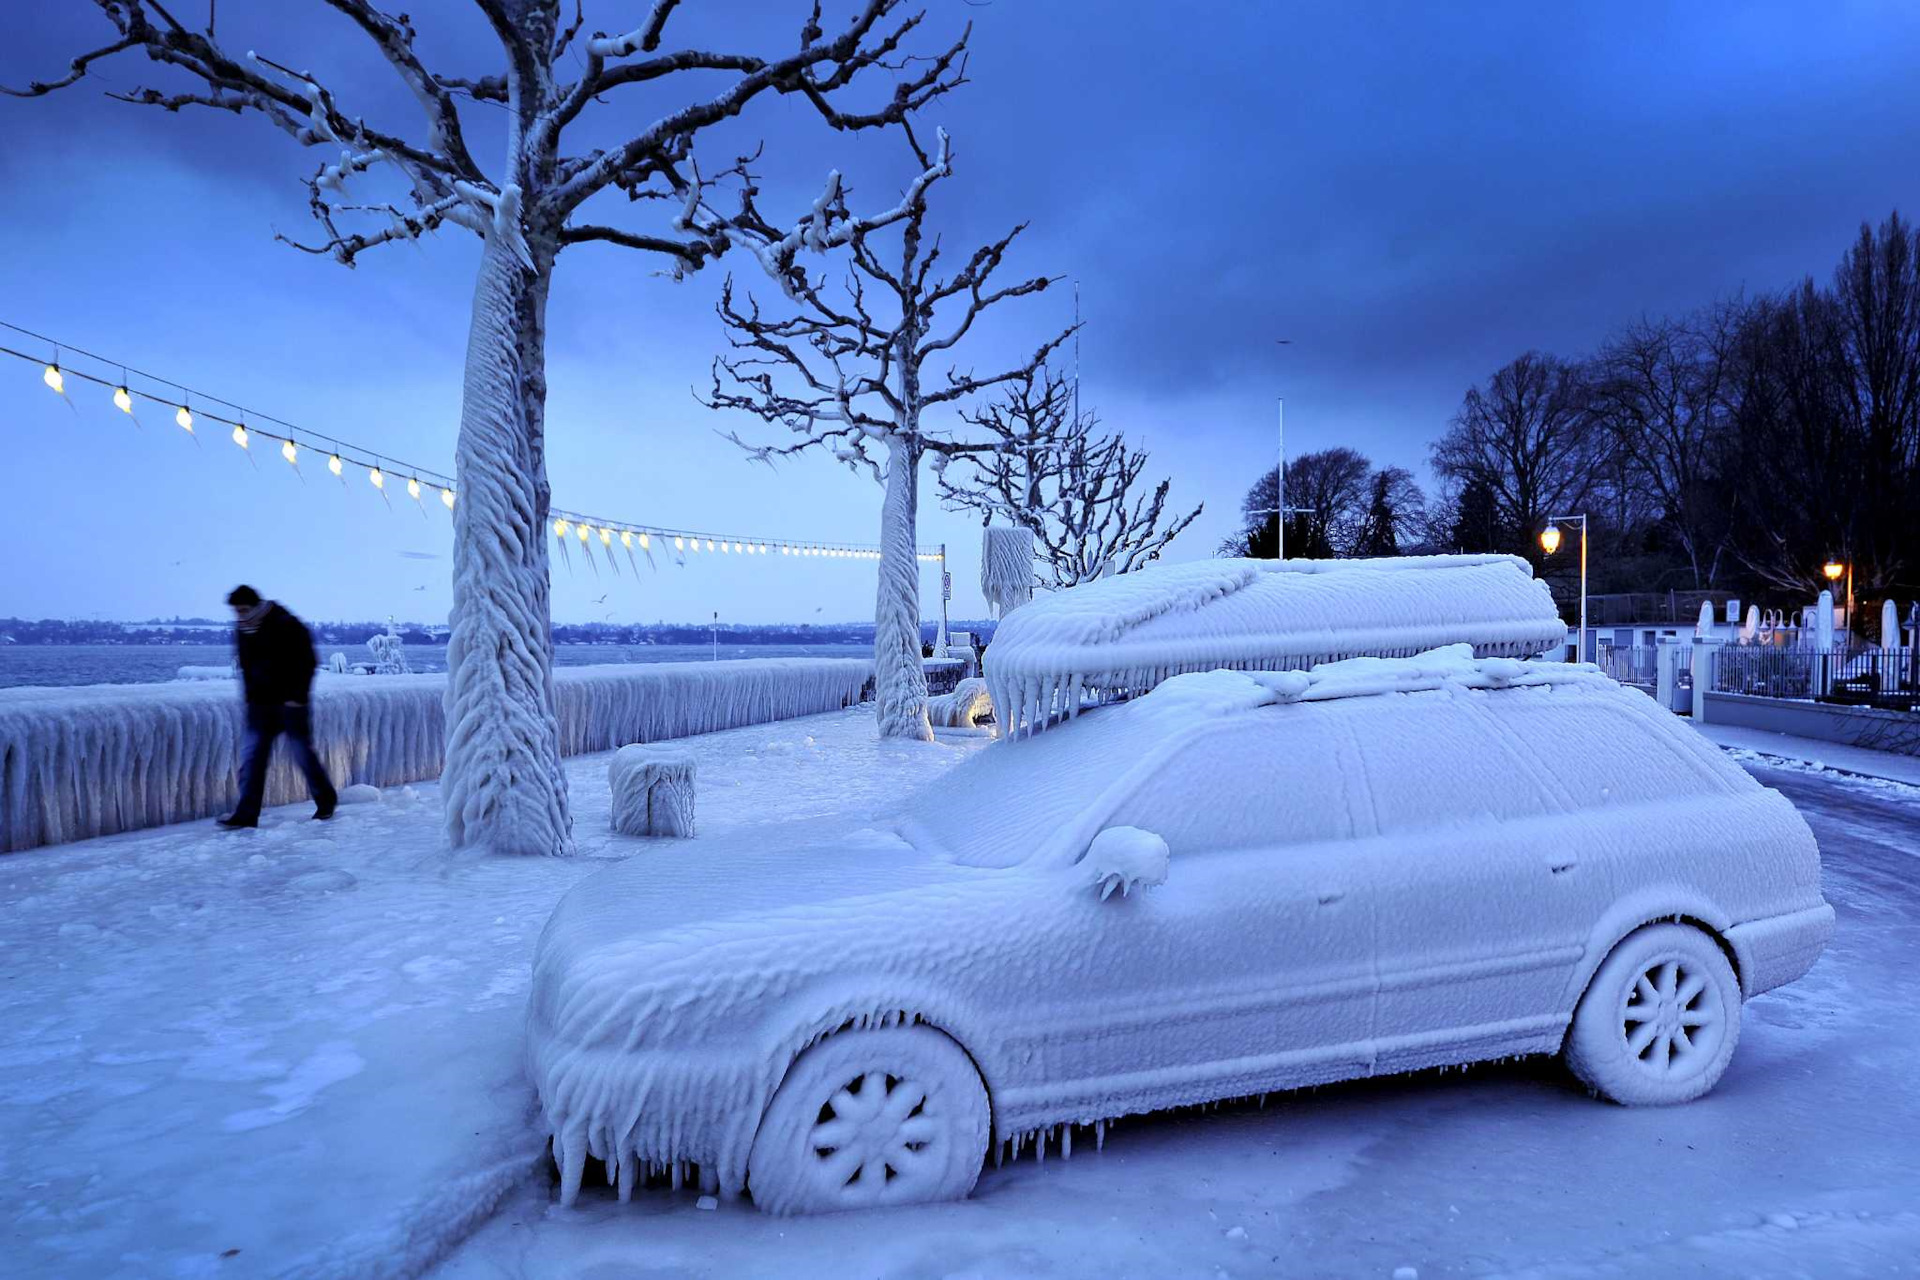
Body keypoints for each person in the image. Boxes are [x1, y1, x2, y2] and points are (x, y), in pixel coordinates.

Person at [218, 585, 337, 828]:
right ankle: (247, 814)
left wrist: (297, 697)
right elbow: (247, 667)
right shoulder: (243, 629)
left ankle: (326, 800)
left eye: (243, 610)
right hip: (260, 706)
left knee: (303, 755)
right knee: (252, 760)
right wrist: (250, 699)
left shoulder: (286, 623)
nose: (239, 615)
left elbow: (308, 661)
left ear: (255, 606)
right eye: (236, 611)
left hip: (291, 704)